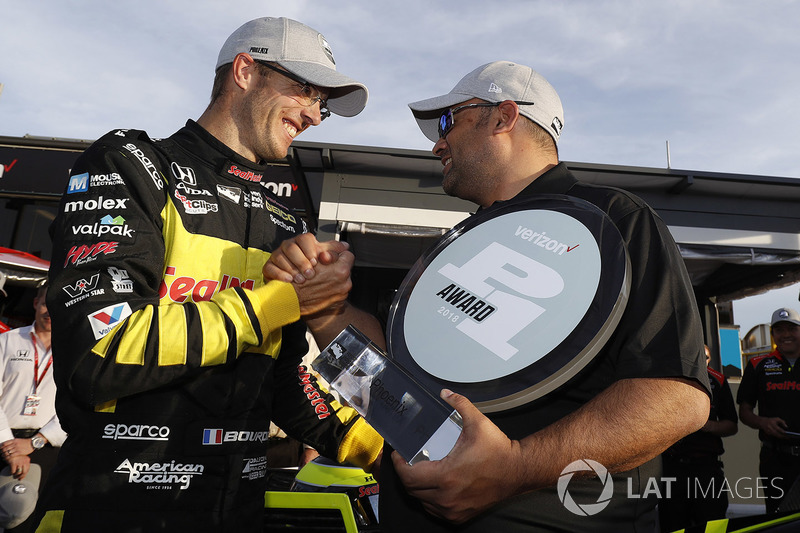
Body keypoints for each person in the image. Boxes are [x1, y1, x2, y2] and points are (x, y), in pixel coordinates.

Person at [265, 60, 711, 532]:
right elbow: (397, 378)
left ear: (504, 117)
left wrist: (515, 468)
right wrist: (324, 308)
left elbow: (676, 397)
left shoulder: (615, 221)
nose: (437, 143)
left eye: (447, 121)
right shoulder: (465, 239)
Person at [35, 17, 384, 533]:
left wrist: (383, 448)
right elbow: (101, 349)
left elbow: (281, 377)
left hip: (238, 510)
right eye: (305, 89)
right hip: (117, 505)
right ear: (245, 71)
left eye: (323, 104)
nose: (314, 114)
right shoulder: (134, 166)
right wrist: (282, 301)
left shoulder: (285, 221)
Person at [0, 284, 66, 533]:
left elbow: (74, 406)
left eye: (56, 305)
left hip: (45, 449)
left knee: (28, 523)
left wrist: (36, 442)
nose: (50, 311)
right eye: (46, 303)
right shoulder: (6, 341)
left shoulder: (72, 352)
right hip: (4, 441)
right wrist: (9, 446)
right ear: (36, 303)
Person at [659, 345, 738, 532]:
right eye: (697, 356)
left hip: (706, 468)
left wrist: (706, 425)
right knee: (672, 525)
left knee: (712, 526)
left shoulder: (718, 381)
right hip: (672, 468)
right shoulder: (665, 379)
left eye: (707, 358)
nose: (702, 361)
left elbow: (732, 425)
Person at [737, 307, 800, 513]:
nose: (786, 335)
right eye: (779, 330)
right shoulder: (758, 365)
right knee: (777, 518)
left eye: (792, 328)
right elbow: (744, 411)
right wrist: (763, 423)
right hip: (776, 459)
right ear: (773, 334)